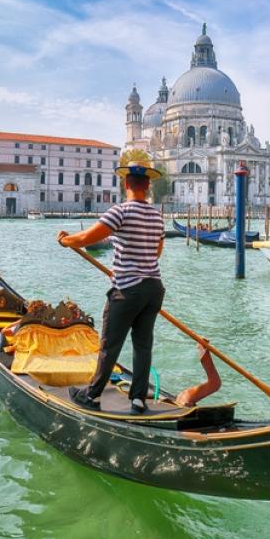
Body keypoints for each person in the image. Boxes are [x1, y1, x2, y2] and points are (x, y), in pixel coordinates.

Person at [57, 160, 165, 414]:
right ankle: (138, 399)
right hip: (154, 288)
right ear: (147, 186)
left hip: (127, 290)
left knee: (110, 344)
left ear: (126, 184)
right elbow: (156, 252)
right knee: (143, 345)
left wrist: (64, 240)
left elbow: (85, 239)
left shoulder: (121, 211)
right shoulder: (156, 215)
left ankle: (92, 396)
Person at [175, 342, 222, 407]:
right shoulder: (184, 397)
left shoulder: (184, 397)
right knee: (215, 384)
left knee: (215, 384)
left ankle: (203, 351)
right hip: (183, 402)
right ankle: (203, 351)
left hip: (183, 402)